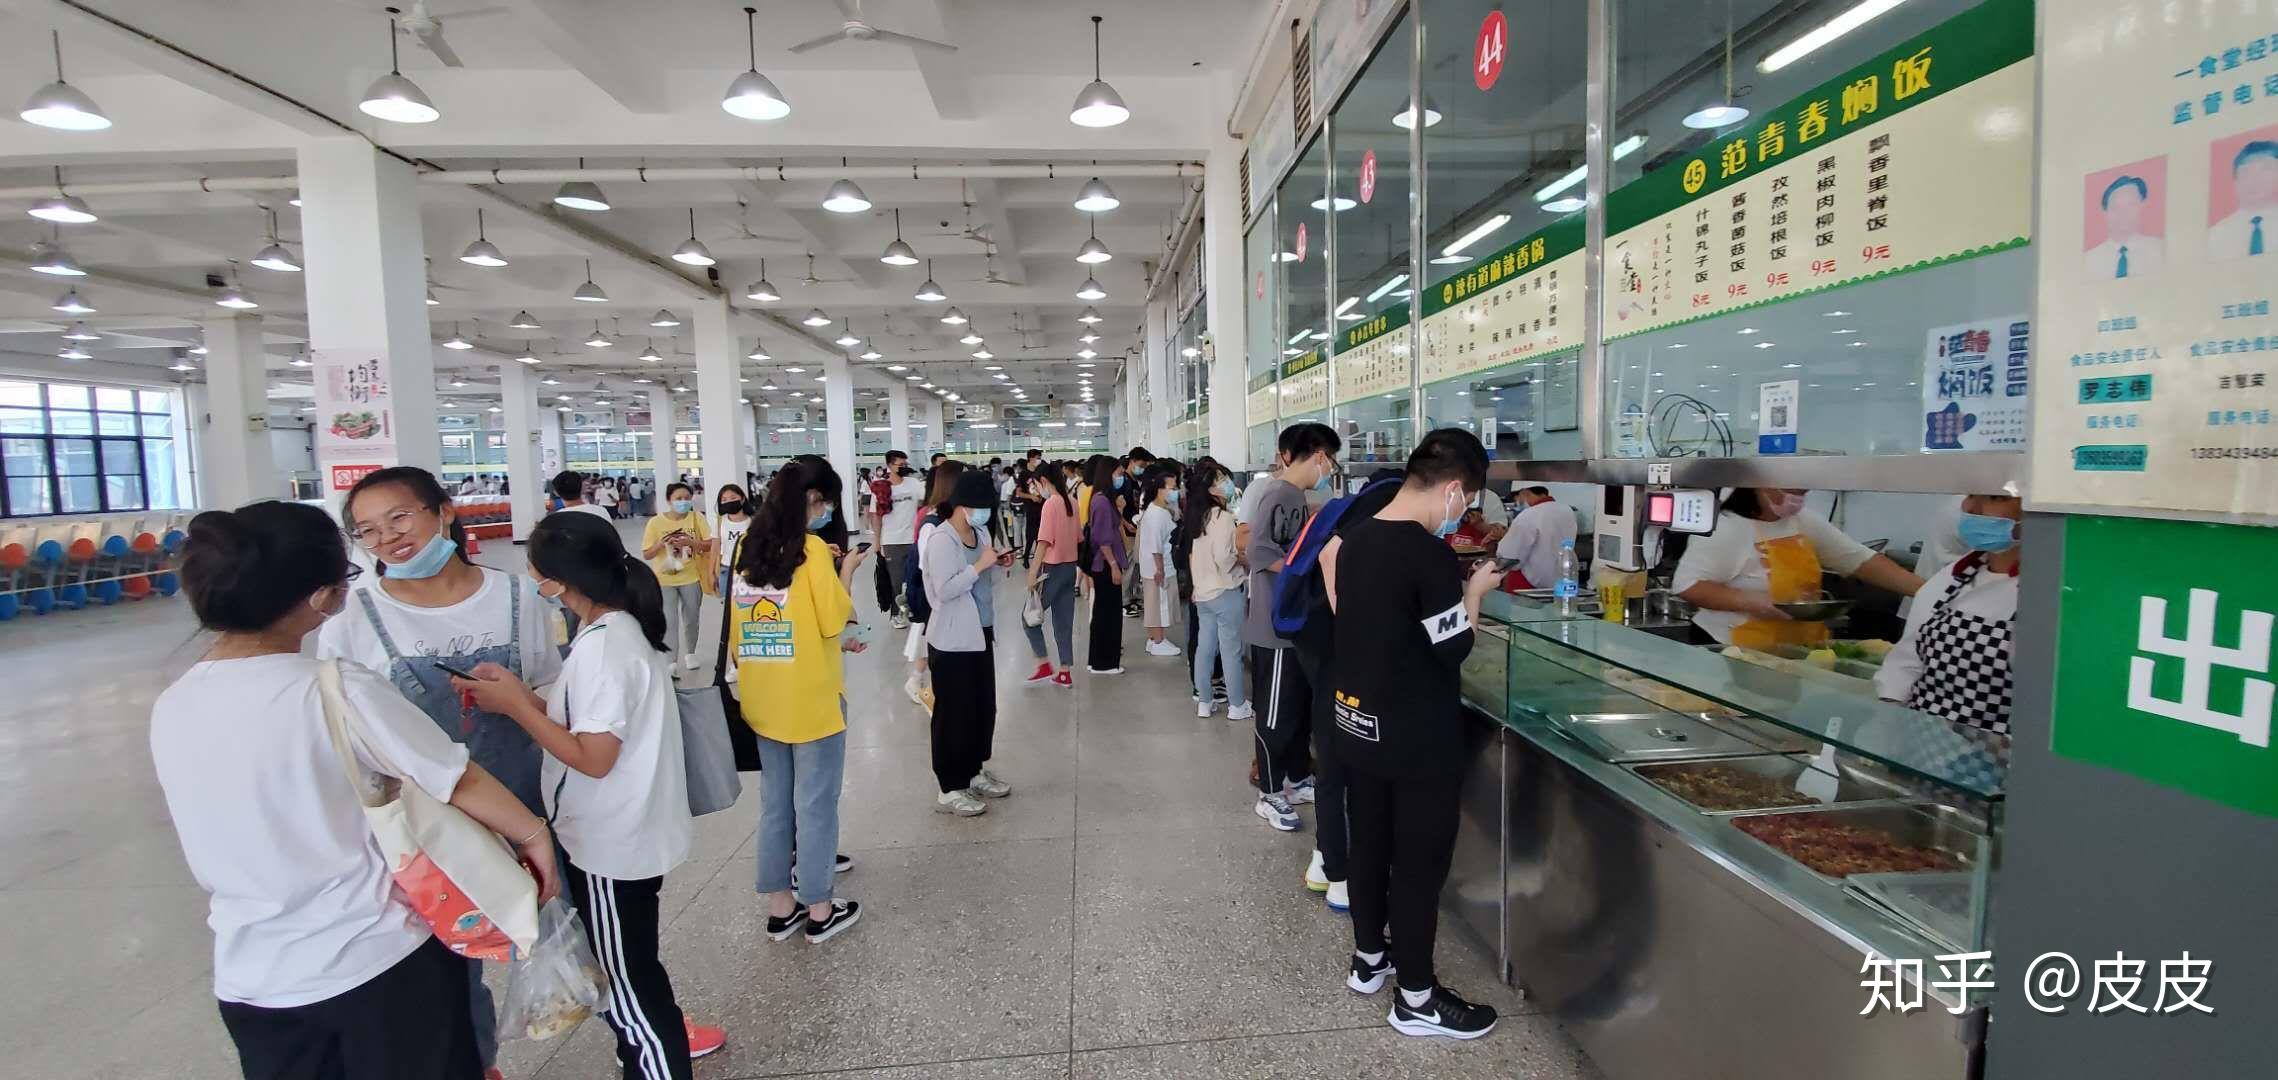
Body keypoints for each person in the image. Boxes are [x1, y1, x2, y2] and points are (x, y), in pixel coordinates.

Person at [152, 501, 559, 1080]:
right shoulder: (334, 688)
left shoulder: (176, 702)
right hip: (376, 958)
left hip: (253, 977)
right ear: (320, 598)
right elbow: (452, 775)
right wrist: (531, 834)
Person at [452, 510, 725, 1075]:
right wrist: (524, 697)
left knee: (626, 987)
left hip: (610, 842)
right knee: (634, 968)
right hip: (626, 833)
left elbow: (594, 758)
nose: (533, 582)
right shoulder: (615, 630)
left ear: (556, 581)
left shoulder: (605, 645)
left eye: (535, 571)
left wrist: (515, 709)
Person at [321, 465, 561, 1074]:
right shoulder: (353, 617)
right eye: (367, 532)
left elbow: (549, 690)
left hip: (526, 797)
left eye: (400, 518)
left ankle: (631, 1023)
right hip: (426, 825)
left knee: (566, 921)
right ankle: (478, 1063)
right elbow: (342, 728)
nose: (387, 540)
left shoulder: (515, 595)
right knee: (449, 963)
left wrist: (517, 701)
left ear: (443, 512)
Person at [1326, 428, 1505, 1040]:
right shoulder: (1426, 554)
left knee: (1370, 843)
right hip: (1416, 737)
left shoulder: (1358, 538)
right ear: (1455, 489)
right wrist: (1474, 594)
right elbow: (1453, 646)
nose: (1465, 513)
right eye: (1469, 501)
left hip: (1357, 721)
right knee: (1420, 865)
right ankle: (1418, 1000)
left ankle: (1369, 960)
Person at [728, 458, 870, 944]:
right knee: (815, 806)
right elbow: (838, 625)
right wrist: (844, 569)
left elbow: (734, 634)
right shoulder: (810, 551)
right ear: (812, 500)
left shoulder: (747, 547)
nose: (828, 509)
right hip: (812, 700)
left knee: (775, 806)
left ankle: (779, 906)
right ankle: (820, 909)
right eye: (827, 500)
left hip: (763, 700)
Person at [1673, 487, 1924, 649]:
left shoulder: (1803, 521)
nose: (1797, 498)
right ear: (1757, 486)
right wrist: (1753, 601)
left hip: (1794, 648)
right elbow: (1688, 585)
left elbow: (1859, 560)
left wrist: (1930, 591)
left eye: (1803, 492)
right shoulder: (1726, 527)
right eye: (1790, 490)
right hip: (1732, 648)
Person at [1246, 422, 1341, 832]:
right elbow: (1258, 551)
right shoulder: (1280, 493)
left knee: (1298, 711)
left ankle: (1298, 777)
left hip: (1295, 624)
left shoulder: (1294, 496)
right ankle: (1269, 794)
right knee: (1275, 716)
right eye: (1332, 458)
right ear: (1319, 454)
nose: (1331, 467)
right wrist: (1305, 570)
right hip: (1275, 627)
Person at [1875, 493, 2022, 737]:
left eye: (1995, 498)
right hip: (1920, 747)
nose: (1971, 507)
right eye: (1971, 495)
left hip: (1998, 760)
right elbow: (1906, 663)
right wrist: (1888, 723)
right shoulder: (1949, 580)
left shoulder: (2050, 593)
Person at [923, 470, 1017, 817]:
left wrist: (996, 563)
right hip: (951, 640)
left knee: (981, 709)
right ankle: (949, 786)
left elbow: (983, 575)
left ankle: (974, 770)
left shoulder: (978, 532)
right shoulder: (941, 540)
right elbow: (944, 590)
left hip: (981, 633)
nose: (985, 514)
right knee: (953, 714)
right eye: (980, 507)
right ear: (962, 506)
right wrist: (979, 566)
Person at [1183, 462, 1250, 721]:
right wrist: (1243, 560)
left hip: (1203, 592)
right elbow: (1224, 557)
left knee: (1205, 648)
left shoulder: (1197, 515)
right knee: (1231, 649)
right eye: (1221, 479)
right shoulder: (1222, 518)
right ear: (1210, 487)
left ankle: (1204, 701)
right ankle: (1236, 705)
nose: (1227, 483)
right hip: (1225, 590)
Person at [1019, 464, 1081, 688]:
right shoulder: (1072, 502)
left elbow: (1043, 543)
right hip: (1069, 568)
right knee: (1063, 621)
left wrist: (1032, 573)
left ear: (1043, 481)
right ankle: (1065, 671)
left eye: (1035, 484)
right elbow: (1078, 538)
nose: (1035, 489)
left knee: (1028, 618)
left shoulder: (1050, 505)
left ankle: (1043, 663)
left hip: (1051, 570)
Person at [640, 483, 713, 671]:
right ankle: (671, 659)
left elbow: (709, 544)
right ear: (668, 500)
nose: (683, 502)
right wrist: (661, 544)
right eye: (678, 498)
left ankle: (691, 653)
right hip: (665, 579)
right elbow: (647, 554)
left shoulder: (697, 518)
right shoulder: (655, 523)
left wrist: (690, 542)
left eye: (687, 498)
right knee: (669, 619)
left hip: (691, 577)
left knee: (692, 617)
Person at [1083, 455, 1131, 675]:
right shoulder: (1101, 501)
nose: (1121, 478)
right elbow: (1103, 538)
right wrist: (1113, 565)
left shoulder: (1104, 500)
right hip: (1104, 566)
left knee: (1105, 611)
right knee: (1107, 614)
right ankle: (1104, 662)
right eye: (1119, 474)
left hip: (1105, 564)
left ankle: (1100, 660)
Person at [1494, 486, 1577, 589]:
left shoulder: (1528, 515)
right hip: (1561, 581)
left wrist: (1504, 537)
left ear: (1525, 493)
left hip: (1529, 584)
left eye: (1517, 498)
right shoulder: (1566, 510)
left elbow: (1510, 556)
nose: (1516, 503)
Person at [879, 451, 927, 630]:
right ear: (890, 465)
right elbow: (876, 517)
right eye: (900, 464)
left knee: (915, 577)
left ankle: (915, 609)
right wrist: (878, 543)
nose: (904, 467)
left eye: (905, 463)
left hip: (913, 539)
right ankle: (896, 614)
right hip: (892, 541)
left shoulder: (913, 483)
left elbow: (926, 500)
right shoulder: (881, 487)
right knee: (897, 581)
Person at [2083, 173, 2164, 279]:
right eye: (2116, 206)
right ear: (2105, 212)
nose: (2123, 212)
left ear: (2141, 207)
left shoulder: (2160, 250)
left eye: (2130, 205)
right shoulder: (2088, 261)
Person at [1138, 465, 1181, 656]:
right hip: (1157, 566)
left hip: (1159, 564)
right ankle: (1158, 641)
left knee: (1157, 603)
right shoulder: (1156, 514)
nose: (1175, 491)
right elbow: (1156, 546)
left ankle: (1154, 638)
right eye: (1172, 488)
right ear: (1160, 489)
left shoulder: (1160, 510)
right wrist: (1160, 569)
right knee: (1158, 604)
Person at [2211, 140, 2278, 259]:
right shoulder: (2216, 235)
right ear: (2235, 181)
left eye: (2265, 169)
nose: (2254, 179)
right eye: (2246, 172)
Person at [712, 483, 754, 601]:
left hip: (747, 570)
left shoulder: (753, 521)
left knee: (746, 607)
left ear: (742, 499)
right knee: (727, 608)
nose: (729, 502)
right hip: (726, 569)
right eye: (724, 500)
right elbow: (715, 547)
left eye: (733, 498)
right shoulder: (721, 521)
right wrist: (711, 573)